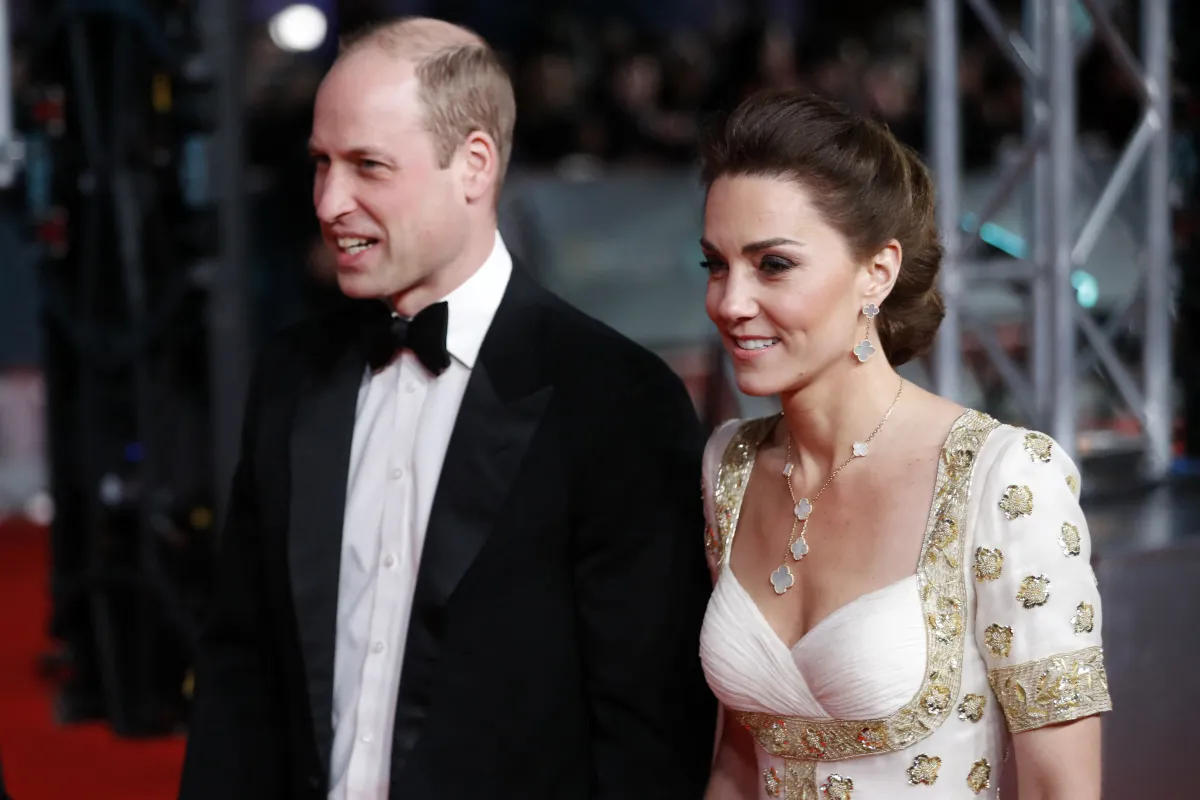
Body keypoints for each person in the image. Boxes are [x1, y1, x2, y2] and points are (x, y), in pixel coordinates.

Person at [178, 17, 715, 800]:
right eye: (321, 165)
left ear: (473, 165)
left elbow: (647, 732)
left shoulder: (614, 399)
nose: (330, 202)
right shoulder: (293, 376)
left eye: (368, 167)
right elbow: (242, 675)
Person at [696, 91, 1110, 799]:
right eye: (714, 264)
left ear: (877, 273)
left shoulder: (1006, 479)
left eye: (772, 266)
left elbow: (1059, 791)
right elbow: (738, 759)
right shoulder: (728, 467)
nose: (730, 302)